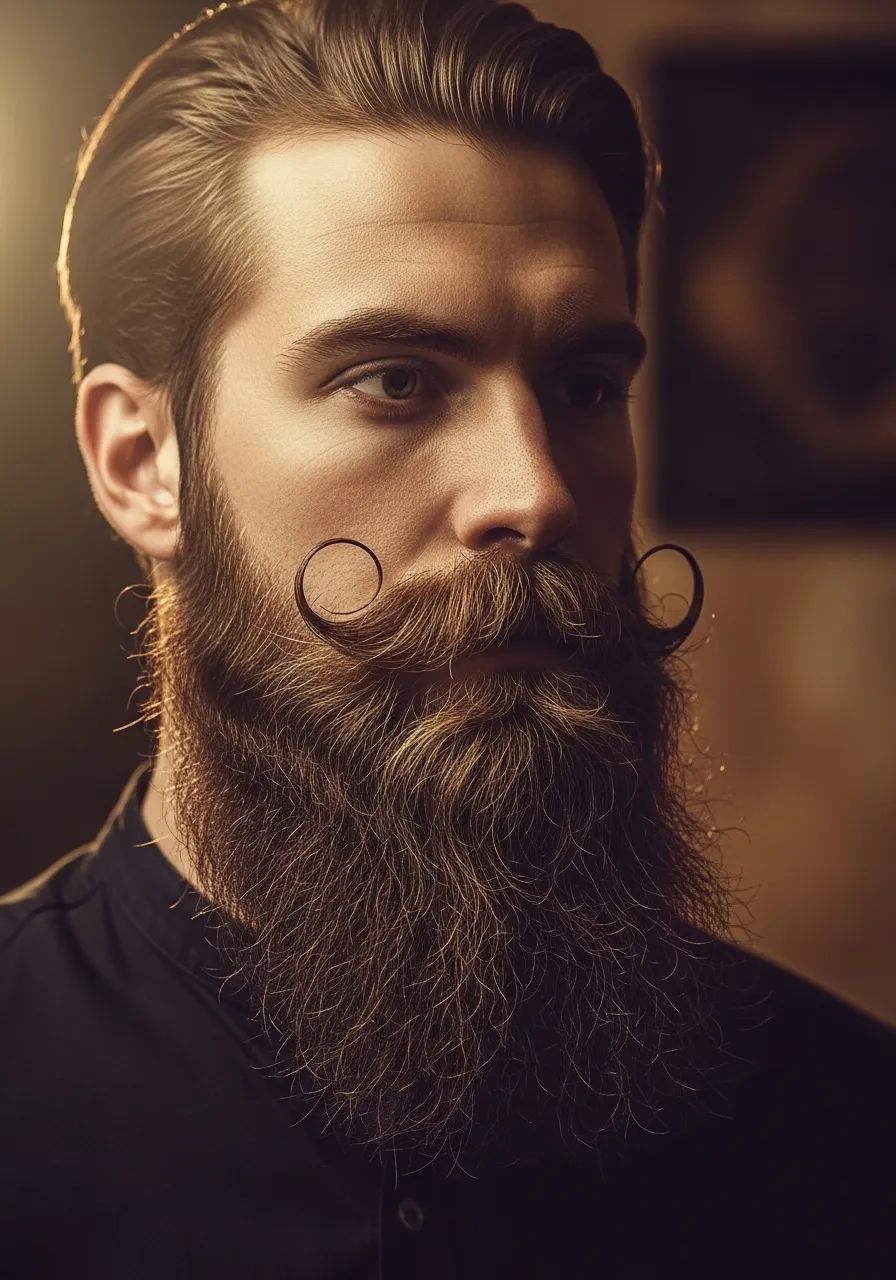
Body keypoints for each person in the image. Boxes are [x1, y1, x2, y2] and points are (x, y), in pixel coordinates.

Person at [1, 1, 893, 1275]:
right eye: (396, 380)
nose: (533, 492)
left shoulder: (850, 1137)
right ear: (145, 462)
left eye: (584, 389)